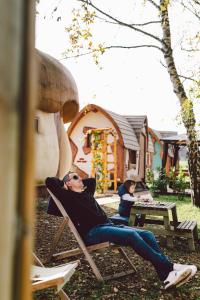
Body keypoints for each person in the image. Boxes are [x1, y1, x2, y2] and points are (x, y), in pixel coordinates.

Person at [46, 172, 197, 289]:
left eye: (78, 177)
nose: (80, 179)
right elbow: (49, 181)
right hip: (92, 232)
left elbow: (91, 180)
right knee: (132, 234)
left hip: (108, 225)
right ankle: (171, 268)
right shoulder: (67, 197)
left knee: (148, 234)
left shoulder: (86, 193)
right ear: (67, 183)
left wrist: (75, 178)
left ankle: (166, 275)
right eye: (75, 177)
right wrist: (64, 185)